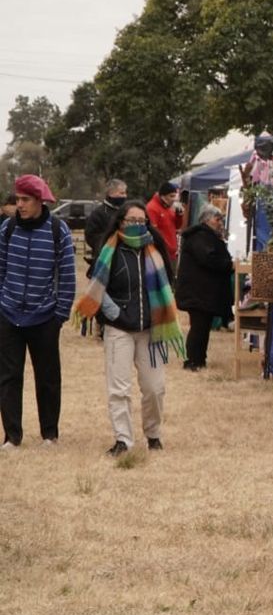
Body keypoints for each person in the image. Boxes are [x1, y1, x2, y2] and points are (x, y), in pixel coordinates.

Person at [75, 201, 185, 456]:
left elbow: (167, 283)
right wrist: (116, 313)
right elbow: (97, 286)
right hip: (119, 329)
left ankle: (153, 434)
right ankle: (123, 440)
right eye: (131, 220)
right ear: (120, 222)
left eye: (141, 221)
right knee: (119, 389)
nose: (136, 225)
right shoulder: (109, 249)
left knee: (155, 388)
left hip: (152, 329)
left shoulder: (155, 249)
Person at [0, 175, 76, 449]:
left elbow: (67, 275)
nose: (19, 204)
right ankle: (12, 436)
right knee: (8, 378)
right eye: (18, 199)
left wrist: (60, 315)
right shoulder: (7, 229)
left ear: (39, 201)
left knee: (48, 378)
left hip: (44, 317)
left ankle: (49, 434)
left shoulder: (58, 230)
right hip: (9, 313)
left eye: (25, 200)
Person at [176, 206, 233, 371]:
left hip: (202, 291)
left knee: (203, 326)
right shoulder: (200, 237)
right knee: (199, 326)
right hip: (197, 291)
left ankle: (199, 359)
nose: (220, 223)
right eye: (217, 219)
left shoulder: (205, 236)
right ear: (207, 220)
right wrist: (228, 265)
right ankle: (193, 360)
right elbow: (208, 259)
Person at [85, 179, 128, 266]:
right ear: (111, 193)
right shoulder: (98, 213)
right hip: (105, 259)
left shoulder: (126, 211)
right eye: (121, 193)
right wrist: (110, 241)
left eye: (125, 193)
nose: (125, 196)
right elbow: (91, 237)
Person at [146, 182, 183, 264]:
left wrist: (179, 216)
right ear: (163, 196)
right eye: (171, 196)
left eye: (175, 196)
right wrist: (167, 247)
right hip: (161, 254)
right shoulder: (152, 208)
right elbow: (153, 233)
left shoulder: (168, 207)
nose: (174, 199)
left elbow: (177, 226)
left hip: (171, 253)